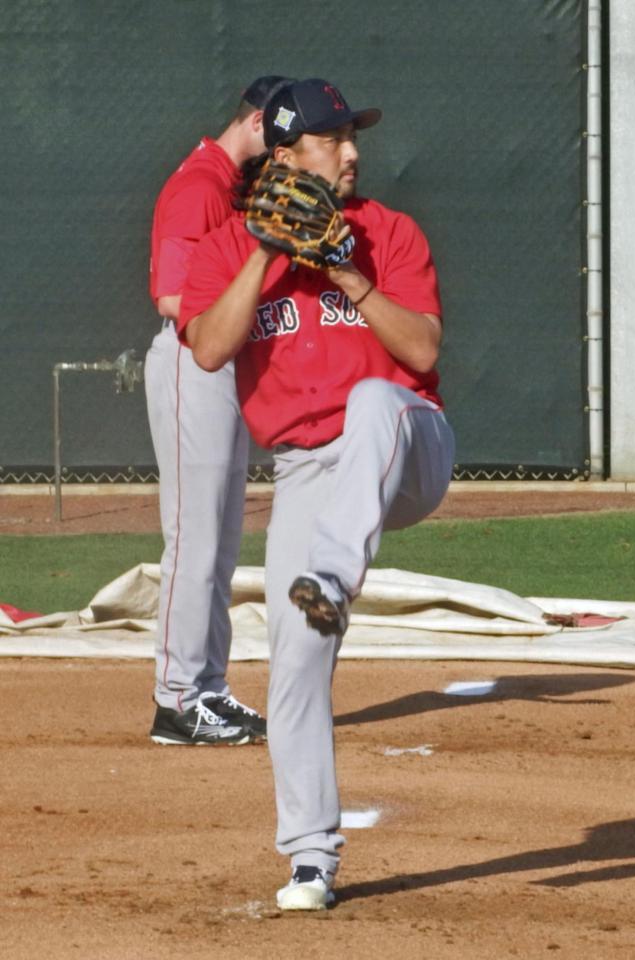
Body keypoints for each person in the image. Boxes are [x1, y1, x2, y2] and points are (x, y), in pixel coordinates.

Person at [178, 78, 455, 906]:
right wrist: (267, 252)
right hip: (307, 470)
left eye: (352, 137)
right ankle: (309, 857)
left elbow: (423, 349)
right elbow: (209, 350)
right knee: (295, 660)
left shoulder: (386, 233)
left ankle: (332, 576)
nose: (353, 152)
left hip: (406, 444)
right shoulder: (231, 245)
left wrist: (347, 277)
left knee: (374, 398)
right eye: (335, 139)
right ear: (286, 156)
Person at [145, 76, 291, 747]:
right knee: (194, 540)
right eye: (281, 136)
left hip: (222, 365)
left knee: (222, 544)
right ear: (258, 122)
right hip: (189, 364)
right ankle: (176, 698)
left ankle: (209, 688)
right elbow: (174, 298)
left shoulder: (226, 184)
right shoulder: (201, 185)